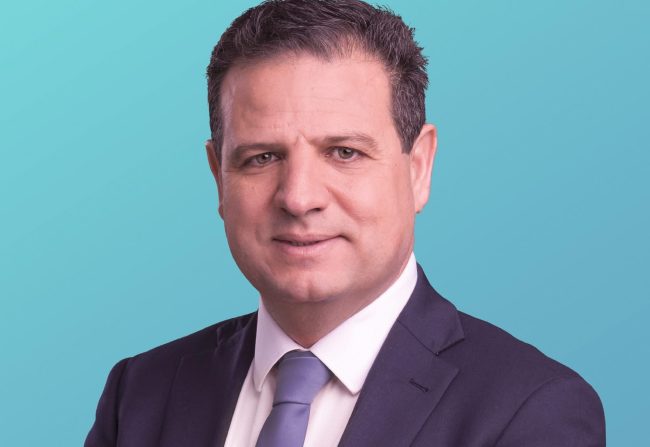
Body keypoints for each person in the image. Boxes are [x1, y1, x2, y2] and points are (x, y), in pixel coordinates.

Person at [85, 1, 605, 446]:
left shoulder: (530, 411)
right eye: (262, 157)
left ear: (418, 168)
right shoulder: (140, 394)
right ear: (219, 178)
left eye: (344, 152)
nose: (299, 198)